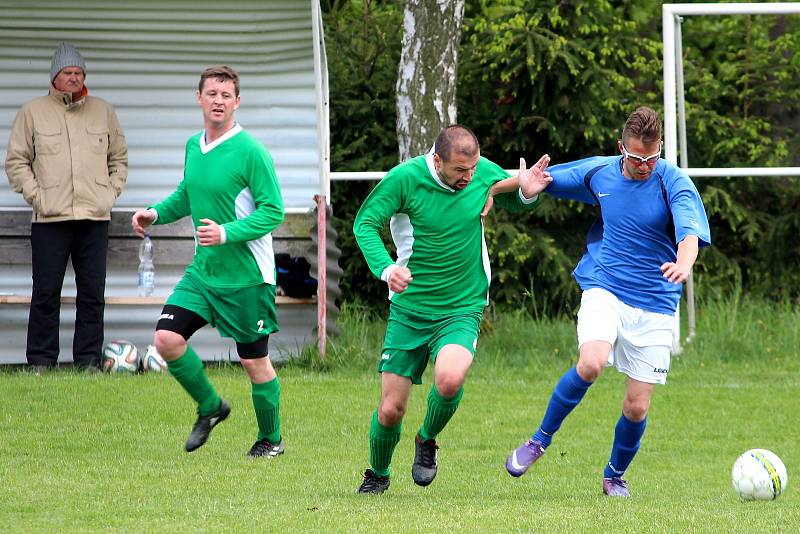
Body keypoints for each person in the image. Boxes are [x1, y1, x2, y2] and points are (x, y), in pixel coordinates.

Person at [505, 106, 711, 497]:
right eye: (636, 157)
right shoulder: (600, 170)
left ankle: (614, 474)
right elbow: (538, 180)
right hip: (606, 286)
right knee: (592, 362)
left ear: (660, 148)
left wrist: (684, 263)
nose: (644, 165)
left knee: (636, 408)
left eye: (651, 157)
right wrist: (526, 188)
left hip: (656, 301)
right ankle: (538, 441)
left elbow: (689, 234)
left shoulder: (674, 182)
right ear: (622, 148)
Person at [352, 124, 552, 494]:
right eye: (460, 170)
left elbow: (506, 193)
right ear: (437, 159)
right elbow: (365, 224)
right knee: (390, 410)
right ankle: (378, 473)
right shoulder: (404, 179)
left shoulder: (477, 172)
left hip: (462, 305)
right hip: (410, 310)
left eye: (473, 168)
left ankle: (427, 439)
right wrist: (388, 268)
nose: (469, 177)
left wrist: (526, 193)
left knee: (449, 378)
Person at [131, 65, 286, 456]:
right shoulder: (192, 146)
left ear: (237, 102)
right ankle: (211, 407)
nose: (219, 101)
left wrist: (227, 232)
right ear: (199, 97)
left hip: (248, 278)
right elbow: (187, 193)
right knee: (166, 340)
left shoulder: (251, 151)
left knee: (255, 365)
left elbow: (273, 211)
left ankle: (271, 440)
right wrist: (155, 213)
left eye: (226, 95)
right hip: (203, 274)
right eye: (212, 93)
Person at [5, 42, 128, 372]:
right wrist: (38, 197)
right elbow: (17, 162)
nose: (73, 78)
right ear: (54, 77)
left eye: (78, 72)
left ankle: (88, 360)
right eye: (67, 73)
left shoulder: (103, 111)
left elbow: (119, 159)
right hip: (50, 219)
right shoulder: (32, 112)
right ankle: (42, 361)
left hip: (94, 218)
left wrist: (108, 194)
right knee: (45, 293)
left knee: (92, 293)